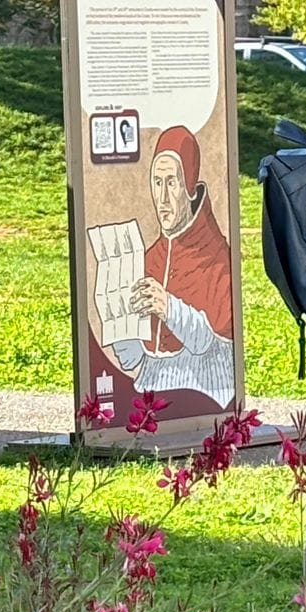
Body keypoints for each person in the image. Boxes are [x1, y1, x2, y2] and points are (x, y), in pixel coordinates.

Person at [101, 125, 237, 409]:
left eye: (172, 182)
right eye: (157, 182)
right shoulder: (150, 258)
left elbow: (212, 345)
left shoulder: (216, 255)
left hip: (203, 394)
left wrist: (168, 308)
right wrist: (118, 323)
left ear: (188, 186)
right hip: (151, 397)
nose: (162, 198)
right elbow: (136, 361)